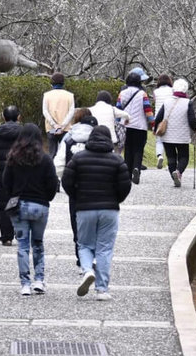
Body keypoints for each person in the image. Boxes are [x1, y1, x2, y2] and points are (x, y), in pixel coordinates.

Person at [62, 125, 131, 301]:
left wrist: (77, 197)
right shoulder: (117, 160)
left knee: (84, 244)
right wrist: (116, 200)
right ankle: (102, 289)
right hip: (109, 209)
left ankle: (87, 270)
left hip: (84, 208)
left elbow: (66, 181)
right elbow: (125, 185)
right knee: (105, 248)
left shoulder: (78, 158)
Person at [2, 124, 58, 296]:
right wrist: (46, 198)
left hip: (20, 205)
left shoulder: (13, 157)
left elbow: (6, 181)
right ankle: (39, 280)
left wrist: (13, 194)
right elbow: (52, 183)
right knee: (38, 243)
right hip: (40, 206)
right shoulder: (46, 159)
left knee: (23, 245)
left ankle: (25, 283)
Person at [53, 111, 98, 268]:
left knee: (76, 221)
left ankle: (81, 257)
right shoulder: (100, 138)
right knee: (95, 222)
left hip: (76, 189)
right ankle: (93, 255)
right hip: (96, 188)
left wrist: (66, 183)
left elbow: (58, 166)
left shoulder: (69, 138)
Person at [0, 105, 22, 246]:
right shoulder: (24, 135)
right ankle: (21, 231)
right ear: (18, 117)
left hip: (3, 174)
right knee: (21, 202)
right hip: (21, 173)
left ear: (3, 117)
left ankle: (6, 236)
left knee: (3, 204)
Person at [154, 79, 196, 188]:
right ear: (185, 89)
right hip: (182, 136)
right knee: (184, 157)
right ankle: (178, 172)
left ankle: (174, 176)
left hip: (168, 135)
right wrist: (194, 129)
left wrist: (155, 129)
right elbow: (192, 120)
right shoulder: (188, 103)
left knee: (171, 157)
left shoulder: (167, 101)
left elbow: (158, 117)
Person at [117, 71, 153, 185]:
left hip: (125, 125)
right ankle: (136, 168)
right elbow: (147, 110)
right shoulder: (143, 94)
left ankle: (128, 173)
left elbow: (118, 109)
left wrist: (117, 123)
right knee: (138, 149)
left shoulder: (122, 93)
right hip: (140, 126)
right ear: (139, 82)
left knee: (128, 149)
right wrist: (152, 123)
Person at [42, 72, 76, 158]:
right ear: (63, 83)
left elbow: (45, 111)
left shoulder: (46, 95)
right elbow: (71, 112)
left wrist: (55, 125)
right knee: (65, 154)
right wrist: (62, 126)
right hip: (66, 129)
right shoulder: (70, 95)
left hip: (51, 128)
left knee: (52, 153)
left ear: (52, 82)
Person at [152, 74, 174, 170]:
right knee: (170, 141)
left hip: (158, 118)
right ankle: (170, 163)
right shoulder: (173, 91)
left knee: (159, 141)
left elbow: (155, 101)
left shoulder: (155, 92)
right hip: (170, 118)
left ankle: (160, 156)